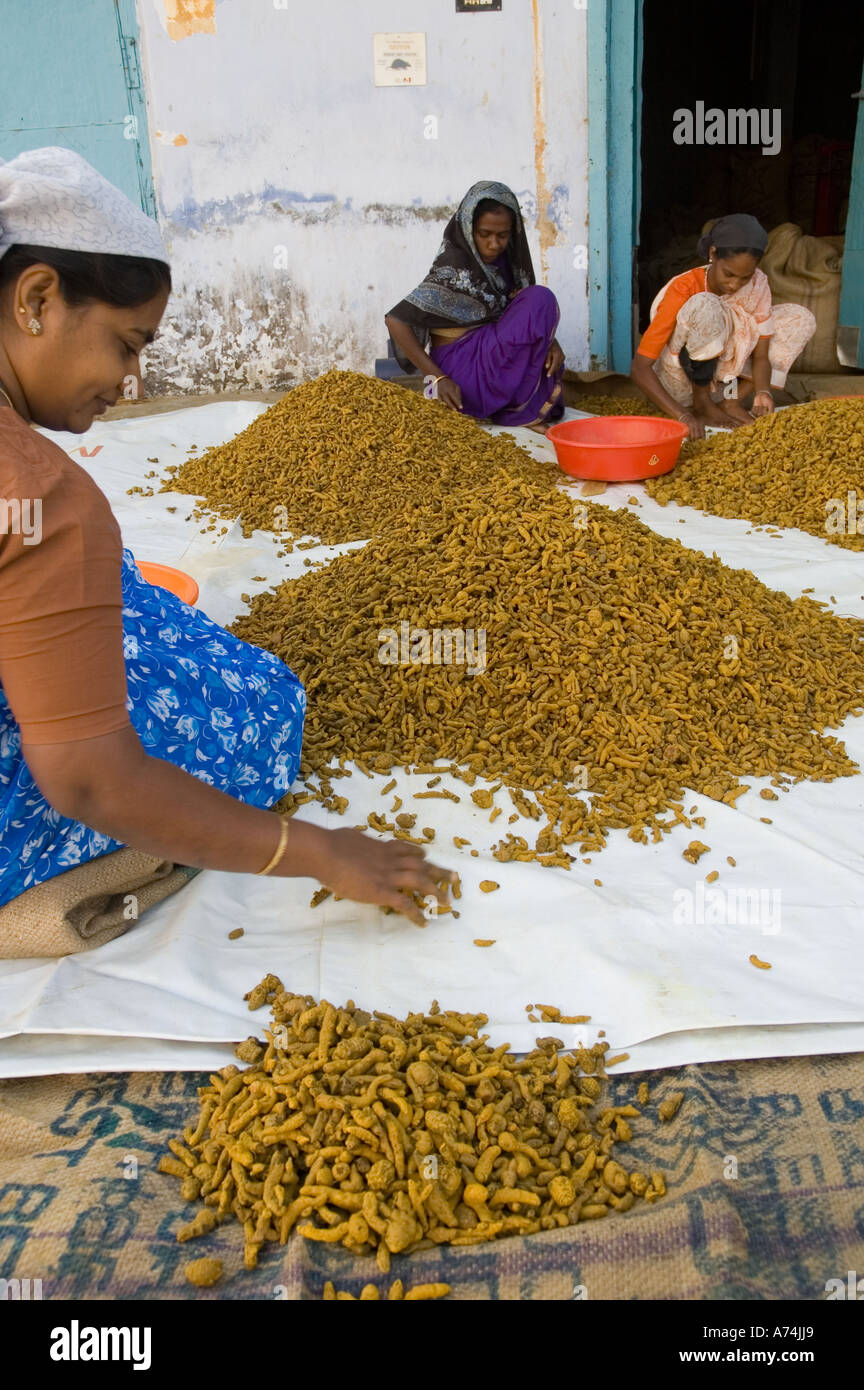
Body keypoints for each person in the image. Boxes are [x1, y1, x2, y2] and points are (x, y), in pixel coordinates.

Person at [0, 148, 448, 928]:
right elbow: (88, 780)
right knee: (258, 702)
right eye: (128, 344)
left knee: (119, 589)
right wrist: (315, 850)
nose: (131, 381)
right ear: (37, 297)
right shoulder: (42, 496)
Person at [385, 180, 565, 429]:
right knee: (539, 298)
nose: (494, 244)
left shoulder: (507, 263)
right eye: (485, 234)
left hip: (492, 354)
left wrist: (550, 341)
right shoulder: (453, 269)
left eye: (503, 235)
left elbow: (515, 312)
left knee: (538, 299)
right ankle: (513, 409)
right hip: (462, 376)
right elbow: (395, 320)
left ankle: (517, 408)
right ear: (468, 229)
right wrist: (438, 378)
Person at [630, 213, 816, 440]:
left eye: (744, 278)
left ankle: (731, 403)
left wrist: (763, 391)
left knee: (800, 318)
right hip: (679, 386)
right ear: (712, 254)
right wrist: (682, 416)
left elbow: (761, 356)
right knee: (706, 304)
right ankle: (702, 405)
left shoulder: (758, 285)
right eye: (729, 274)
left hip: (726, 385)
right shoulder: (684, 288)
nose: (734, 284)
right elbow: (639, 368)